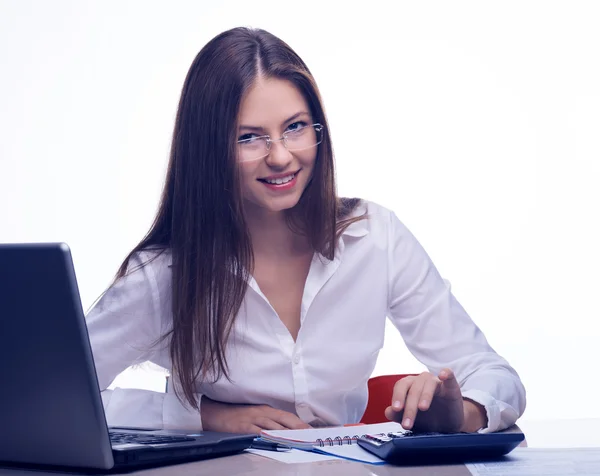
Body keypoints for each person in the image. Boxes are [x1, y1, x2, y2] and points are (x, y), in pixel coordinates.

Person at [86, 27, 526, 435]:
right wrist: (205, 415)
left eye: (295, 128)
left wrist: (462, 412)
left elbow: (493, 373)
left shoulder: (375, 238)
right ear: (208, 150)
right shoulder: (166, 272)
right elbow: (55, 399)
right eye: (249, 138)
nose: (280, 157)